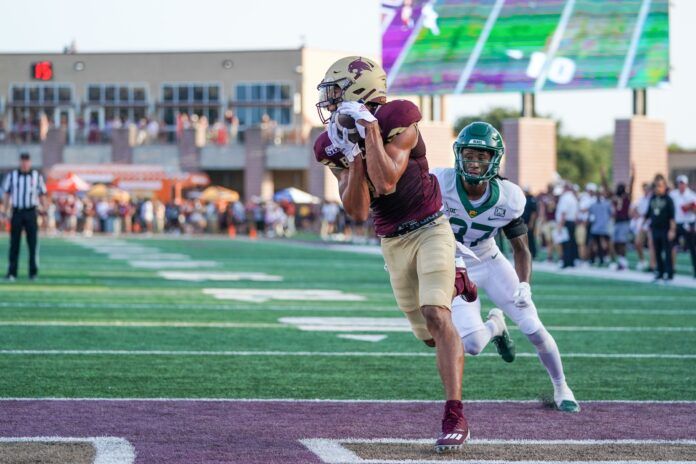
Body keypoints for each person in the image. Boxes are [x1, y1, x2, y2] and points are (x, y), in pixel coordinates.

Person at [313, 56, 469, 452]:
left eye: (335, 94)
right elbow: (359, 209)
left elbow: (385, 181)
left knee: (438, 314)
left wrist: (368, 131)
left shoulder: (400, 117)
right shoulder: (332, 141)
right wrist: (352, 157)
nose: (330, 104)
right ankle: (458, 279)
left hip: (431, 225)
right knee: (430, 337)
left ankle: (454, 413)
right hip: (392, 240)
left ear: (359, 91)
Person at [432, 122, 579, 413]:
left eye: (482, 156)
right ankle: (495, 326)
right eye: (469, 154)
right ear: (458, 154)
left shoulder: (508, 197)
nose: (474, 162)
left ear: (494, 159)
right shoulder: (438, 182)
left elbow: (521, 248)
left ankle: (562, 386)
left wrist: (525, 284)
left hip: (489, 260)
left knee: (532, 326)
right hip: (456, 266)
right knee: (473, 344)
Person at [2, 152, 48, 281]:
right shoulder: (12, 176)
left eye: (27, 161)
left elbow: (43, 194)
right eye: (23, 161)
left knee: (32, 243)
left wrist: (44, 210)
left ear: (30, 162)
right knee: (14, 243)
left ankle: (33, 273)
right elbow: (6, 194)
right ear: (20, 162)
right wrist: (4, 211)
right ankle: (12, 272)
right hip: (17, 212)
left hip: (31, 212)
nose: (24, 163)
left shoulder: (36, 176)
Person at [646, 174, 676, 283]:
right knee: (657, 251)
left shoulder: (668, 199)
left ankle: (669, 273)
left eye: (659, 186)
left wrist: (672, 230)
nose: (657, 188)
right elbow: (648, 214)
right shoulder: (653, 198)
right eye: (655, 186)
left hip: (665, 229)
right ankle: (660, 272)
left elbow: (672, 217)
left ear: (664, 187)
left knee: (667, 252)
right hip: (655, 229)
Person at [670, 175, 696, 277]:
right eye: (680, 183)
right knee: (672, 246)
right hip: (676, 223)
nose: (681, 185)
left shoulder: (692, 195)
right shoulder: (673, 195)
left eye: (683, 183)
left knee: (692, 247)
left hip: (688, 223)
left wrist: (690, 207)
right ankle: (671, 268)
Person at [555, 183, 579, 268]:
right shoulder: (573, 198)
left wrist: (560, 225)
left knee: (565, 243)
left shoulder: (565, 198)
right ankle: (572, 261)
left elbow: (563, 212)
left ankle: (566, 262)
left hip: (566, 222)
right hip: (572, 222)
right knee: (571, 242)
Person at [521, 186, 538, 259]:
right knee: (524, 237)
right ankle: (526, 253)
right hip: (523, 222)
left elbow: (534, 213)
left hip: (529, 222)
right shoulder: (524, 198)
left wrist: (531, 222)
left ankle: (533, 254)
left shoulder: (531, 199)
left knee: (530, 238)